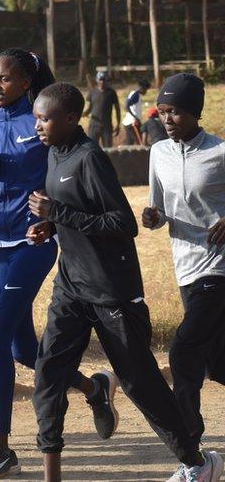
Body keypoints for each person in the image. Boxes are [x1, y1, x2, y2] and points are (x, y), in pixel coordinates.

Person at [28, 82, 221, 482]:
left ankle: (197, 461)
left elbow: (121, 223)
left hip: (112, 290)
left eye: (44, 119)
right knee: (48, 373)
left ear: (69, 119)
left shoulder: (89, 157)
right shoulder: (53, 153)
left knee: (141, 382)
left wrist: (59, 212)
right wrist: (49, 224)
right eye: (36, 119)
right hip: (71, 284)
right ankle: (52, 474)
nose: (38, 127)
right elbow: (75, 213)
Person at [0, 49, 111, 479]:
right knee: (22, 349)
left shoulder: (43, 124)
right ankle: (92, 387)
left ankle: (2, 447)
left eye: (5, 79)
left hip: (34, 241)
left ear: (26, 83)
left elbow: (68, 178)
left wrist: (55, 224)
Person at [144, 73, 225, 480]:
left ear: (195, 112)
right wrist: (152, 216)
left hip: (220, 266)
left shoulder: (221, 152)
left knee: (184, 354)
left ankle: (193, 456)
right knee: (220, 364)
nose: (168, 117)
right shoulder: (158, 151)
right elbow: (158, 209)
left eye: (176, 111)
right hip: (185, 266)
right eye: (164, 111)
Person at [84, 71, 120, 148]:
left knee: (108, 150)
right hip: (94, 126)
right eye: (100, 79)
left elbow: (117, 109)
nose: (102, 81)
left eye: (104, 79)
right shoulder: (92, 92)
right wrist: (84, 113)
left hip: (107, 126)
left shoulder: (111, 92)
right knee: (91, 149)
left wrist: (118, 124)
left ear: (106, 80)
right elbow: (89, 108)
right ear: (97, 80)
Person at [121, 79, 150, 145]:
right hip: (132, 123)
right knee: (140, 143)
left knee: (129, 144)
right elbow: (126, 106)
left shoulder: (136, 94)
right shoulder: (135, 95)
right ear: (142, 88)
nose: (146, 92)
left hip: (130, 123)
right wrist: (135, 118)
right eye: (146, 89)